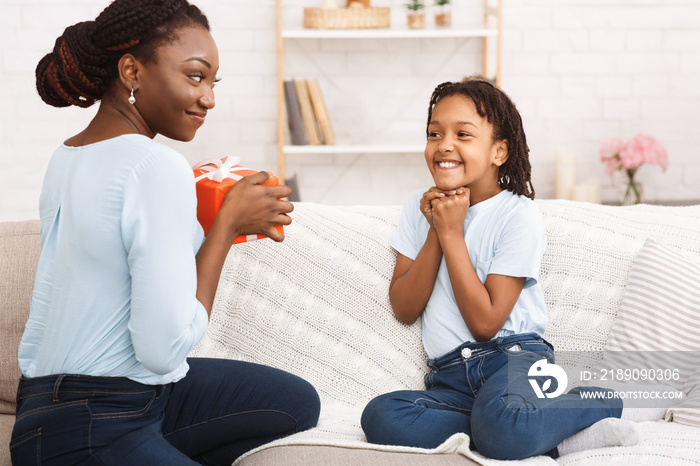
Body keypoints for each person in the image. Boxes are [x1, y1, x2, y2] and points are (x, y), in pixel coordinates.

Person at [11, 1, 320, 464]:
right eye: (195, 76)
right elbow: (164, 348)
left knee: (293, 401)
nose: (209, 98)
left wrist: (204, 221)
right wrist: (225, 227)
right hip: (95, 428)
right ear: (132, 71)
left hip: (43, 412)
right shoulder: (156, 166)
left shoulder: (68, 156)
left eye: (213, 82)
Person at [360, 77, 640, 460]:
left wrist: (452, 234)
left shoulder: (517, 214)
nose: (444, 145)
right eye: (434, 133)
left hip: (514, 360)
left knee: (501, 422)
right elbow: (404, 308)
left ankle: (596, 402)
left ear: (498, 151)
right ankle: (528, 430)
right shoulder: (418, 207)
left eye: (463, 134)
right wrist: (435, 231)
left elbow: (486, 323)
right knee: (382, 417)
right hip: (450, 378)